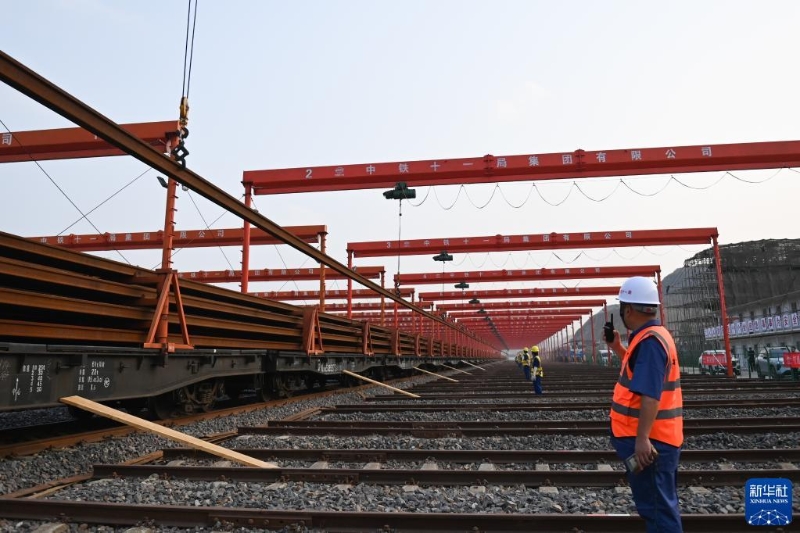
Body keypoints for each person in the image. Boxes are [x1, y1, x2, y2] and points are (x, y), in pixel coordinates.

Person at [605, 276, 683, 533]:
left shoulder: (649, 342)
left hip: (652, 444)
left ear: (628, 310)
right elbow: (640, 370)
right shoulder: (653, 337)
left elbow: (650, 395)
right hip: (658, 439)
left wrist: (642, 439)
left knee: (658, 513)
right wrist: (617, 347)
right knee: (659, 508)